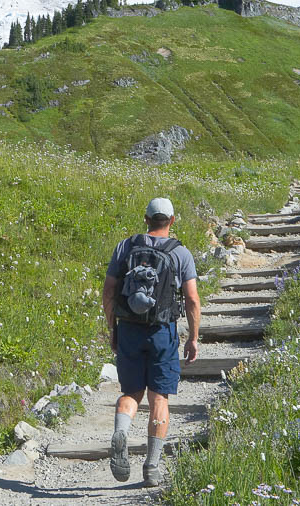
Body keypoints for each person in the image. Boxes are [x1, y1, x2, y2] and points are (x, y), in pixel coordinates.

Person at [101, 197, 201, 486]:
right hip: (163, 333)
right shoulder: (180, 253)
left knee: (131, 393)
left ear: (146, 219)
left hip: (130, 329)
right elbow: (192, 299)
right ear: (171, 220)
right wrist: (193, 338)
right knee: (159, 398)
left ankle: (121, 430)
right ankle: (152, 467)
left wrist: (113, 328)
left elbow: (109, 292)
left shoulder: (126, 246)